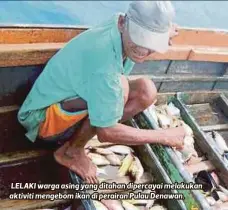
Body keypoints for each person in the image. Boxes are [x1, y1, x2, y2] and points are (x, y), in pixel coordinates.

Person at [18, 1, 186, 184]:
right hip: (42, 122)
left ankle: (87, 133)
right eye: (139, 38)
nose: (143, 50)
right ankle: (71, 152)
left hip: (72, 99)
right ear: (122, 23)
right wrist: (164, 136)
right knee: (119, 89)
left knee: (146, 91)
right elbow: (107, 133)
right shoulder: (104, 65)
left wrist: (162, 34)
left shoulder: (119, 26)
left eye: (150, 41)